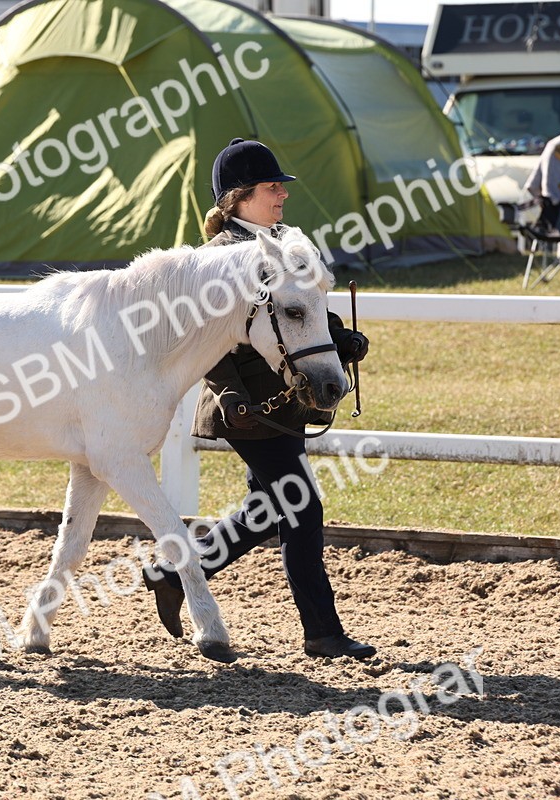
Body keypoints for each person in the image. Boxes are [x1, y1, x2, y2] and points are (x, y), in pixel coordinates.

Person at [143, 138, 375, 660]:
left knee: (267, 507)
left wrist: (339, 340)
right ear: (239, 197)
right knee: (302, 508)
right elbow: (209, 337)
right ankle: (322, 633)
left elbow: (302, 310)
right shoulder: (218, 258)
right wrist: (230, 394)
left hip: (283, 401)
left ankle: (175, 570)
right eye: (272, 187)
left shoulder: (284, 243)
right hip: (247, 405)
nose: (282, 195)